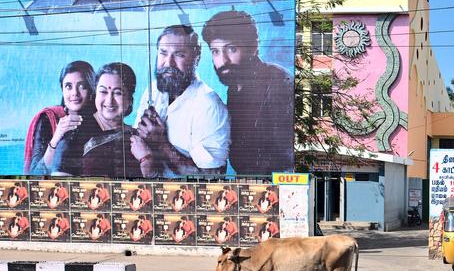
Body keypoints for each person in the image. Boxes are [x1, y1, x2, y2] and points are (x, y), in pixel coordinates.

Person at [201, 10, 293, 175]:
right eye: (215, 51)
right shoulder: (234, 87)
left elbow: (284, 154)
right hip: (246, 181)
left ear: (253, 47)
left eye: (231, 49)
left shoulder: (279, 82)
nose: (222, 61)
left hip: (274, 185)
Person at [135, 25, 231, 176]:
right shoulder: (154, 90)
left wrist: (161, 144)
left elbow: (212, 176)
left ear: (196, 57)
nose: (168, 63)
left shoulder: (209, 106)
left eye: (179, 55)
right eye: (163, 53)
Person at [53, 63, 157, 179]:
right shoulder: (74, 133)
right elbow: (60, 188)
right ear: (95, 95)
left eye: (118, 93)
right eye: (103, 92)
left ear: (130, 100)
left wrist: (146, 159)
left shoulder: (139, 138)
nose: (109, 101)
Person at [24, 61, 96, 175]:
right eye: (68, 86)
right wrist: (56, 138)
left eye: (82, 86)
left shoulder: (100, 120)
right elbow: (35, 173)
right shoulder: (48, 118)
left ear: (92, 89)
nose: (74, 93)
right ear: (62, 89)